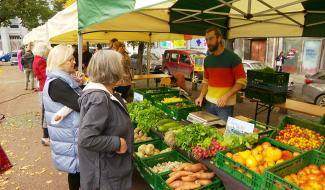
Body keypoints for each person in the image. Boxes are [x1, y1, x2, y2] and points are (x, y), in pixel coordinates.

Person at [78, 50, 133, 190]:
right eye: (120, 66)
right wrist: (117, 143)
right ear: (113, 70)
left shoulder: (105, 94)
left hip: (109, 170)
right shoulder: (100, 99)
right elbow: (86, 139)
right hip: (105, 177)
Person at [43, 45, 84, 190]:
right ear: (60, 62)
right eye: (70, 59)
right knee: (76, 171)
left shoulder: (61, 80)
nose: (74, 62)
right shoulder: (57, 84)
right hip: (70, 137)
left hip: (69, 135)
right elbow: (80, 104)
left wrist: (79, 83)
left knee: (76, 171)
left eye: (73, 59)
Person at [195, 28, 247, 121]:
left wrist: (226, 96)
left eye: (211, 39)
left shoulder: (233, 58)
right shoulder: (207, 60)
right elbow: (206, 80)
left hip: (225, 106)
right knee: (208, 131)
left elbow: (242, 81)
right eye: (206, 39)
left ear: (219, 38)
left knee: (222, 132)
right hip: (209, 103)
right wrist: (201, 96)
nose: (208, 42)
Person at [32, 43, 50, 146]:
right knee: (45, 115)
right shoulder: (40, 60)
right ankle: (45, 137)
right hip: (44, 89)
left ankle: (46, 136)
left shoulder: (37, 59)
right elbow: (46, 75)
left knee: (45, 113)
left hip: (42, 88)